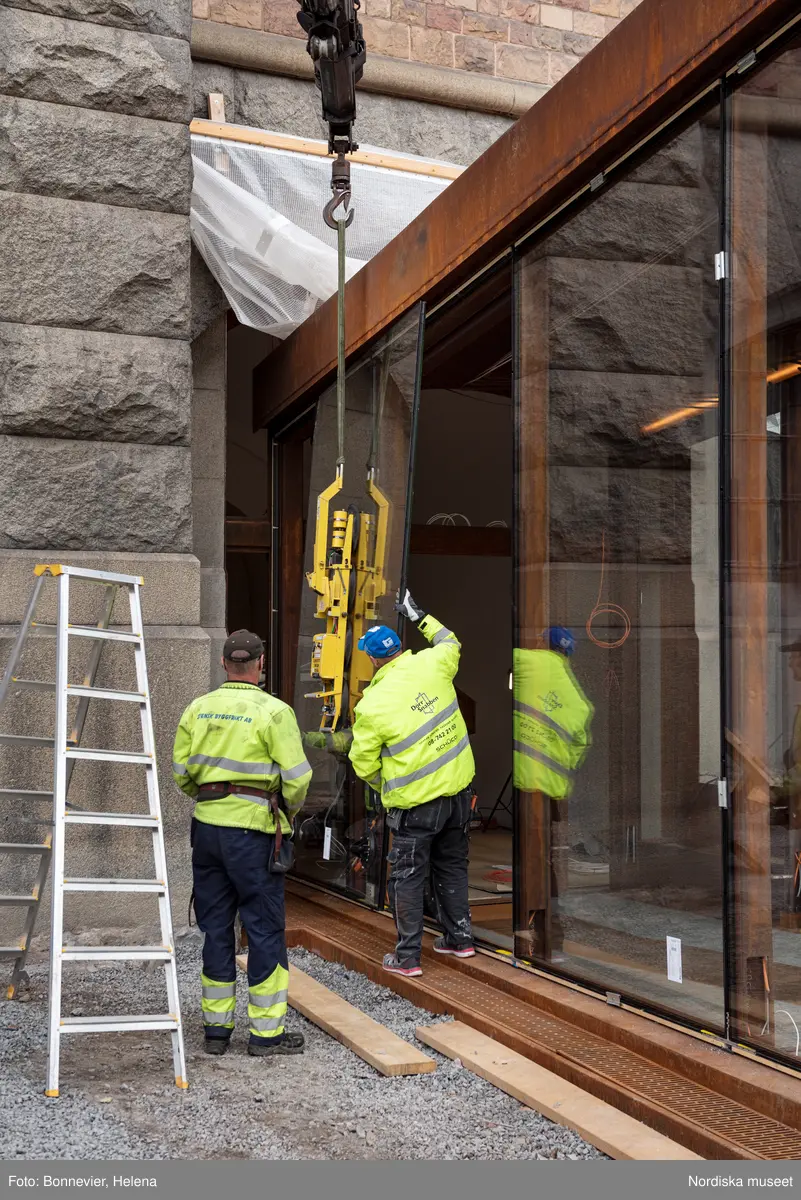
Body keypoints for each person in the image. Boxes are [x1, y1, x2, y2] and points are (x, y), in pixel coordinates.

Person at [172, 629, 312, 1057]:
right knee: (264, 928)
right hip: (253, 831)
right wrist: (285, 812)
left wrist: (214, 798)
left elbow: (181, 773)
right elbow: (299, 777)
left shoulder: (199, 708)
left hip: (209, 829)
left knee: (216, 929)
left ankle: (216, 1033)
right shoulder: (274, 711)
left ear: (222, 664)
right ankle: (265, 1035)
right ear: (261, 663)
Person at [348, 591, 476, 977]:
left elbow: (362, 763)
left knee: (407, 875)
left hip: (415, 805)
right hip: (457, 794)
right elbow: (449, 640)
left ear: (372, 659)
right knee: (452, 865)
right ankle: (460, 940)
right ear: (401, 648)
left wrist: (386, 783)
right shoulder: (434, 665)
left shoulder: (371, 705)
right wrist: (420, 615)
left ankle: (407, 958)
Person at [513, 627, 593, 961]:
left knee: (526, 859)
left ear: (539, 642)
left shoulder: (523, 661)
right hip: (550, 792)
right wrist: (561, 766)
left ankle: (531, 935)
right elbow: (581, 741)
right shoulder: (573, 695)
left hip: (523, 785)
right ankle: (550, 940)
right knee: (546, 862)